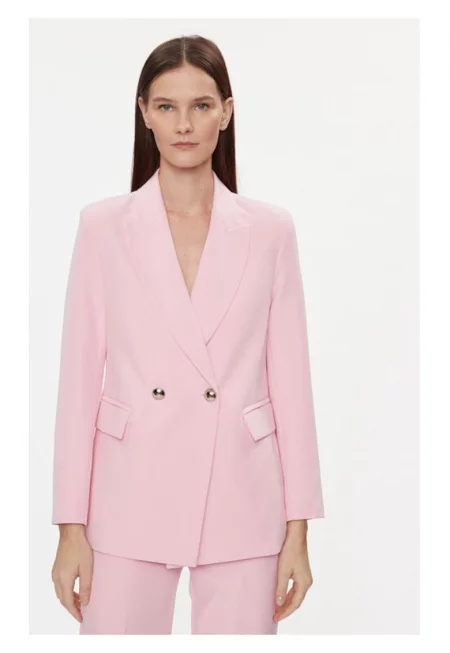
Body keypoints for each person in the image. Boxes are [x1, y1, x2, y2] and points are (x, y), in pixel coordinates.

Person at [50, 34, 325, 635]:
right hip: (127, 488)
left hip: (242, 491)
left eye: (201, 105)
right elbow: (78, 382)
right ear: (144, 113)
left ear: (226, 112)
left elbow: (291, 384)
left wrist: (298, 527)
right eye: (166, 106)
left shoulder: (270, 231)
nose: (183, 124)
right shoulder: (103, 228)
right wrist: (70, 525)